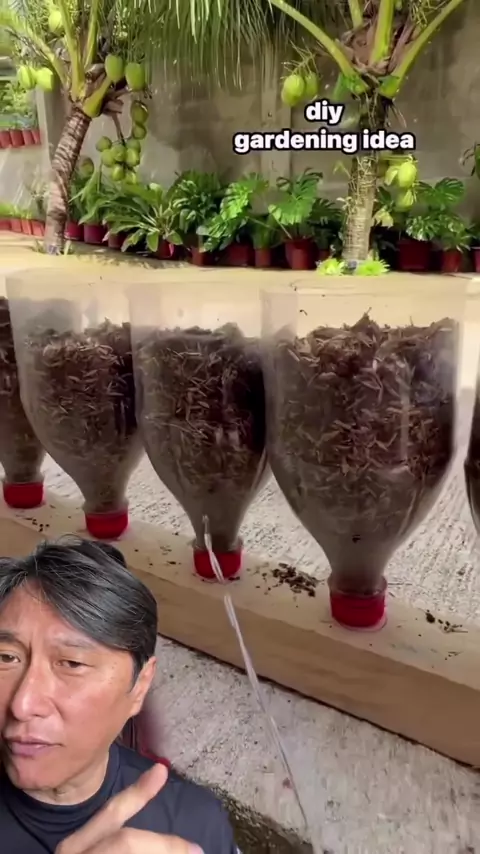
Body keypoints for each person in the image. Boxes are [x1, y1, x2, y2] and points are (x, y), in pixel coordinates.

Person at [0, 536, 238, 854]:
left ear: (139, 686)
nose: (22, 704)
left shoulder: (193, 823)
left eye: (71, 663)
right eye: (6, 657)